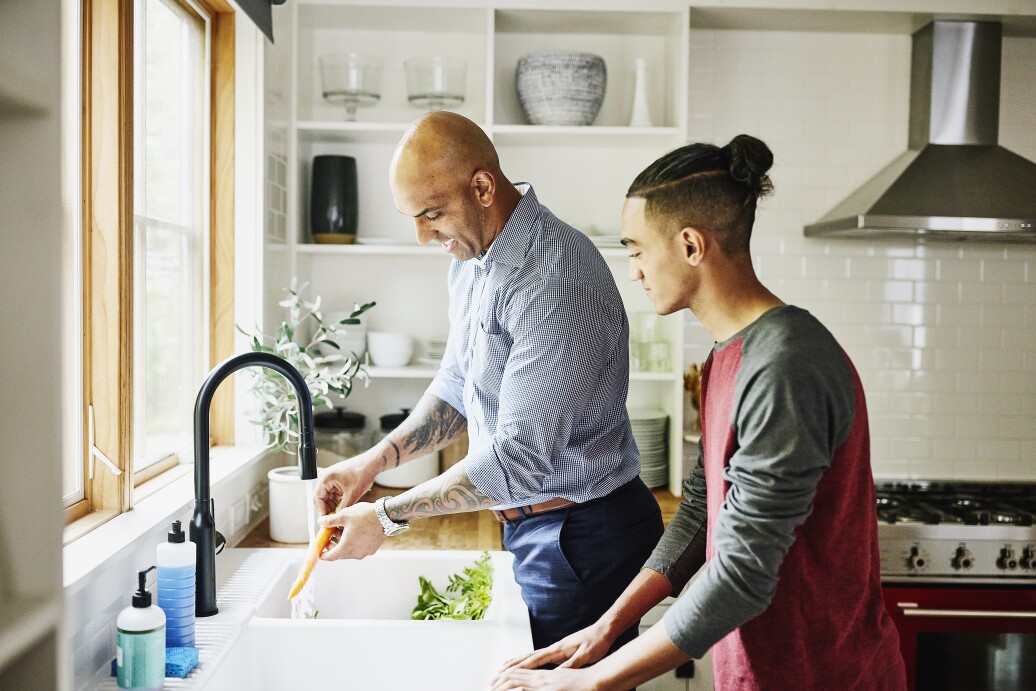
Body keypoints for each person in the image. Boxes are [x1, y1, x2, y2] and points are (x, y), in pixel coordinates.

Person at [492, 134, 908, 691]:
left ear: (691, 245)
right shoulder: (726, 355)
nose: (633, 270)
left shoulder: (786, 365)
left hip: (824, 675)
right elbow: (702, 512)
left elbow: (740, 574)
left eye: (637, 249)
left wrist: (592, 682)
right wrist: (608, 623)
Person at [312, 111, 664, 653]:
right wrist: (373, 463)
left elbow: (520, 460)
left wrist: (386, 515)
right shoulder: (474, 260)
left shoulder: (554, 282)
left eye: (431, 214)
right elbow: (459, 384)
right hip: (537, 525)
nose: (423, 235)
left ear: (482, 187)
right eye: (412, 218)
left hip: (581, 538)